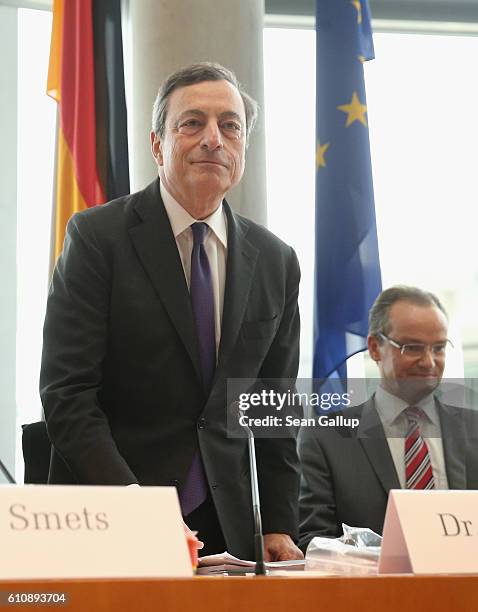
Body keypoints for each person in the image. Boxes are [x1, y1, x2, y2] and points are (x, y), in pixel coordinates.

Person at [40, 62, 302, 561]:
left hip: (231, 532)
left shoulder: (276, 260)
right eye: (192, 123)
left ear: (244, 147)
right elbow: (67, 394)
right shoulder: (97, 238)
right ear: (158, 144)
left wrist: (279, 523)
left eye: (230, 126)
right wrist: (135, 508)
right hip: (113, 516)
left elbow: (274, 408)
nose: (213, 139)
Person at [298, 285, 478, 551]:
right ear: (374, 348)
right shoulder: (326, 437)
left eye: (439, 348)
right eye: (412, 348)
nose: (429, 362)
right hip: (371, 590)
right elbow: (315, 543)